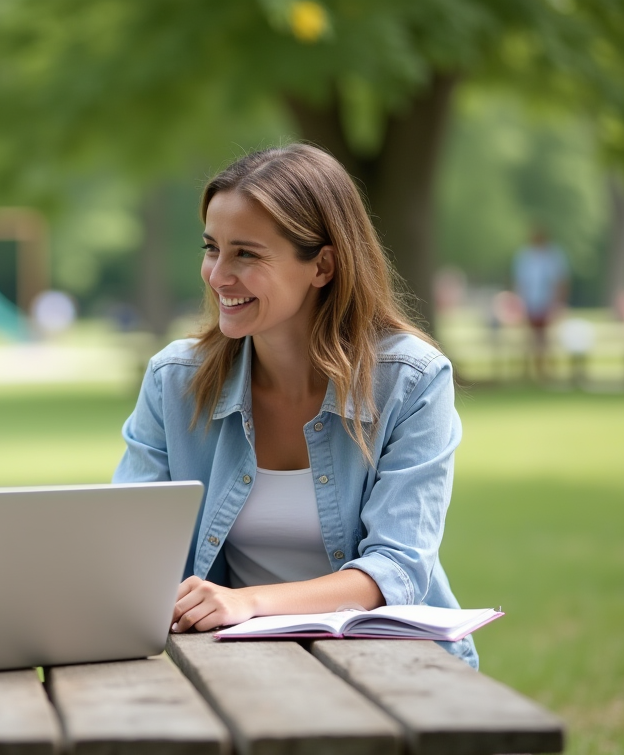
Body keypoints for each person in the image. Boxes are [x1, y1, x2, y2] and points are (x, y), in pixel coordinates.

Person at [113, 144, 476, 669]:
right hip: (232, 661)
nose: (217, 275)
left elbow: (396, 570)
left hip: (395, 663)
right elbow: (128, 549)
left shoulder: (411, 381)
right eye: (212, 248)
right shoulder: (176, 381)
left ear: (322, 265)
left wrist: (248, 602)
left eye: (246, 254)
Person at [511, 226, 568, 380]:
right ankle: (529, 371)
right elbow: (520, 282)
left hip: (546, 304)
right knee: (529, 340)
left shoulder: (552, 256)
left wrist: (557, 304)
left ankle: (546, 372)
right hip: (529, 303)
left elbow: (559, 282)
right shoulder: (525, 256)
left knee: (546, 340)